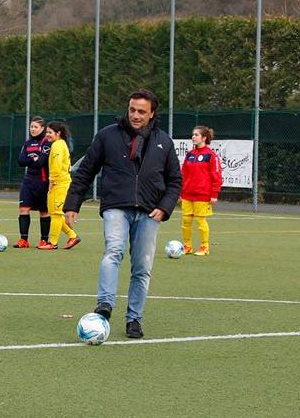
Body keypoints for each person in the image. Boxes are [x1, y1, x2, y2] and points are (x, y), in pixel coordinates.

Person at [64, 89, 182, 339]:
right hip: (116, 205)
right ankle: (104, 304)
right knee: (114, 250)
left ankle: (134, 320)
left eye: (141, 111)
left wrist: (165, 207)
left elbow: (175, 181)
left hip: (150, 212)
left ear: (152, 114)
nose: (135, 115)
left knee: (141, 268)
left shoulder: (164, 141)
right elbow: (86, 171)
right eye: (132, 110)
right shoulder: (108, 135)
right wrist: (73, 203)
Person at [180, 125, 222, 256]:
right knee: (186, 221)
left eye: (196, 135)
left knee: (200, 221)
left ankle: (204, 246)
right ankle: (187, 246)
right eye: (193, 135)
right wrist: (180, 192)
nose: (193, 137)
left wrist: (214, 194)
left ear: (204, 138)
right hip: (187, 194)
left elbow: (217, 176)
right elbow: (183, 174)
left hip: (203, 195)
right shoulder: (190, 155)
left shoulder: (211, 155)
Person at [40, 121, 81, 250]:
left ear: (58, 133)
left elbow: (57, 167)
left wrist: (52, 181)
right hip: (57, 182)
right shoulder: (58, 144)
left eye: (50, 132)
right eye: (46, 132)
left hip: (60, 184)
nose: (47, 135)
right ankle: (72, 236)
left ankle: (52, 242)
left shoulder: (57, 145)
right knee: (53, 213)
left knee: (57, 214)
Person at [15, 116, 52, 248]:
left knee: (44, 211)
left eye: (36, 127)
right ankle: (23, 240)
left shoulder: (47, 143)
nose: (33, 129)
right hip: (28, 181)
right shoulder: (27, 144)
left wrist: (34, 159)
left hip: (42, 182)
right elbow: (20, 161)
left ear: (42, 128)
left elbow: (42, 162)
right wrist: (34, 159)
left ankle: (44, 240)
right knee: (23, 208)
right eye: (31, 127)